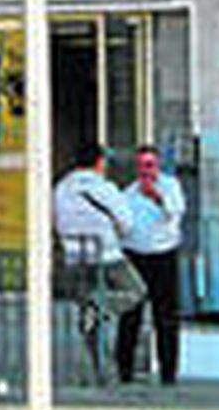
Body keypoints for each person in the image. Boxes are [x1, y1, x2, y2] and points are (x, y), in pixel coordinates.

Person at [52, 141, 146, 384]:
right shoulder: (104, 188)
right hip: (107, 256)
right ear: (99, 162)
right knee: (135, 291)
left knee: (88, 319)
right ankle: (101, 307)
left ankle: (98, 370)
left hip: (75, 258)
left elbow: (56, 220)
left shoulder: (61, 188)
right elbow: (127, 224)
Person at [114, 144, 185, 386]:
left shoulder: (171, 186)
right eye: (141, 166)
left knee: (166, 316)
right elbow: (124, 224)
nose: (146, 171)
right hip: (136, 255)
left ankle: (168, 372)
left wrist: (155, 196)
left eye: (150, 165)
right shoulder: (128, 193)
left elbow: (174, 211)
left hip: (163, 255)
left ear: (158, 166)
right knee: (130, 315)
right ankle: (125, 370)